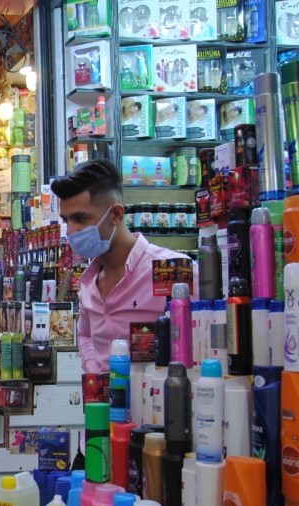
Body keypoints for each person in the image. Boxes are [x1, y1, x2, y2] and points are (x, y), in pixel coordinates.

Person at [51, 158, 197, 373]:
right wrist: (94, 369)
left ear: (116, 215)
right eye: (66, 221)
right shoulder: (89, 283)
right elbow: (84, 334)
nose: (71, 231)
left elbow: (206, 333)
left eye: (80, 218)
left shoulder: (174, 270)